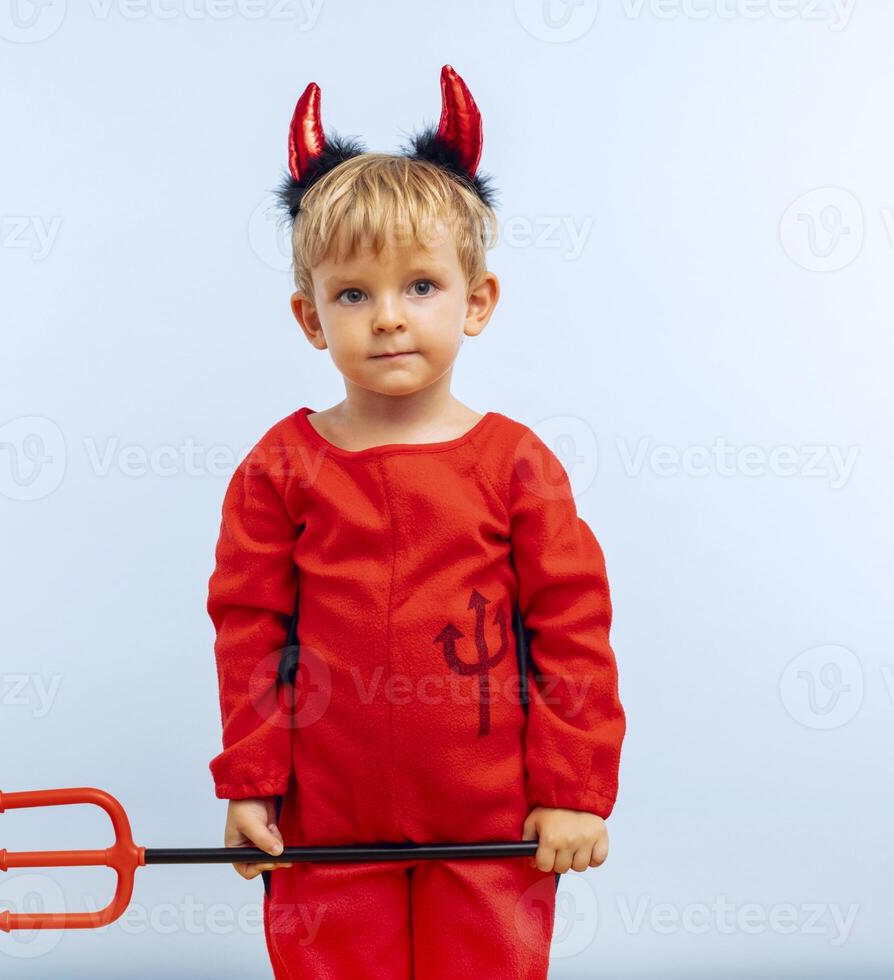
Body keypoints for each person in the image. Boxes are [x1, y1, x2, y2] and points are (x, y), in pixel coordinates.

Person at [206, 65, 626, 979]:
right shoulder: (279, 470)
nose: (389, 319)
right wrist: (249, 783)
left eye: (422, 287)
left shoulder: (517, 466)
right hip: (326, 834)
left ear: (477, 301)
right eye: (353, 294)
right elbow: (249, 631)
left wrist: (574, 792)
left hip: (488, 835)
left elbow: (573, 633)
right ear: (310, 318)